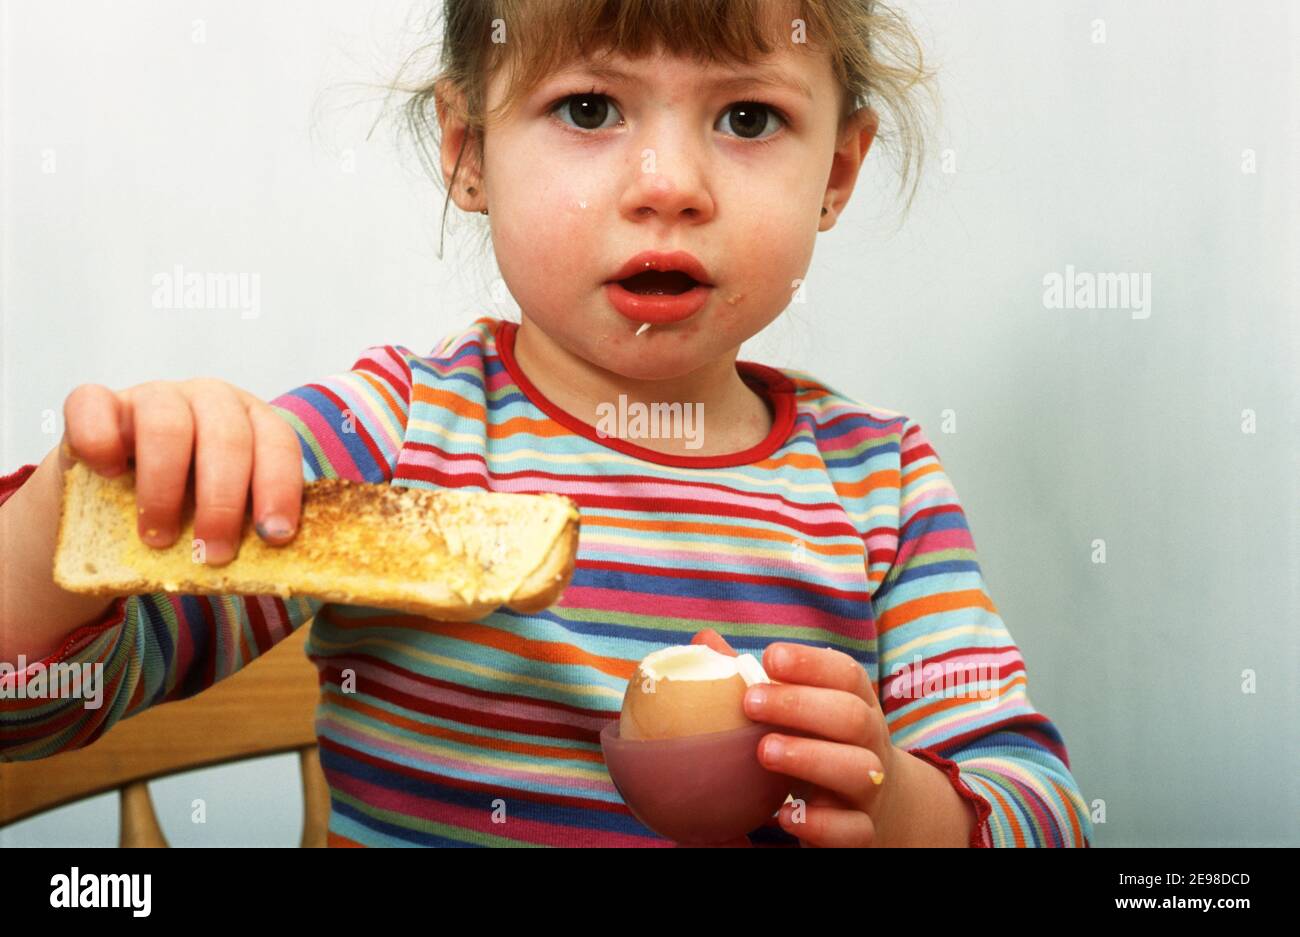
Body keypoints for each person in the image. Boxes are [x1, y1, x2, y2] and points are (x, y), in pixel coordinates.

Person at [0, 0, 1091, 847]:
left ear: (835, 174)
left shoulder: (879, 482)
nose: (669, 185)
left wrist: (896, 806)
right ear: (468, 150)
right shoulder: (386, 434)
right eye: (588, 109)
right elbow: (33, 710)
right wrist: (66, 530)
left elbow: (1041, 806)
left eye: (748, 117)